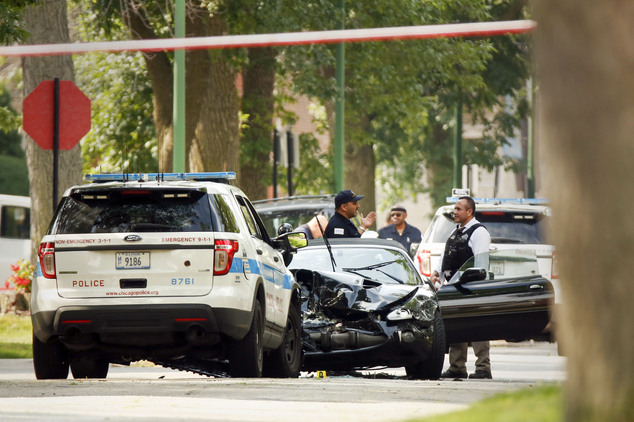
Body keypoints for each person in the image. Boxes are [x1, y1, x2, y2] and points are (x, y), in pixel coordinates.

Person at [430, 196, 492, 380]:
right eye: (455, 209)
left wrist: (477, 286)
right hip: (455, 287)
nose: (454, 212)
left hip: (473, 286)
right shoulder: (456, 231)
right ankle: (457, 367)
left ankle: (483, 368)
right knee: (457, 326)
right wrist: (436, 273)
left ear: (469, 211)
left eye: (458, 209)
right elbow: (445, 256)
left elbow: (481, 263)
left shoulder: (479, 232)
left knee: (478, 328)